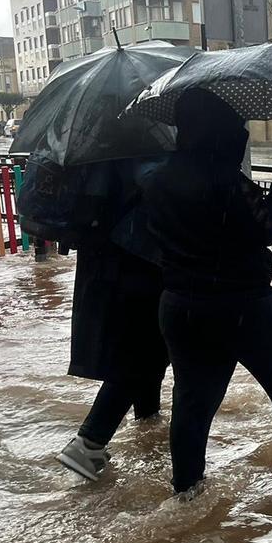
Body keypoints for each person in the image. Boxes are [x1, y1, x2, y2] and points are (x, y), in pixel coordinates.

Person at [140, 88, 272, 498]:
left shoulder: (156, 179)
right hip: (243, 305)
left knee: (191, 403)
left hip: (182, 305)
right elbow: (263, 228)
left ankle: (187, 490)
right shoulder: (225, 181)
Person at [55, 161, 169, 482]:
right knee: (146, 352)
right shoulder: (141, 148)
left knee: (146, 346)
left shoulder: (104, 145)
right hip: (137, 257)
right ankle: (89, 443)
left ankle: (148, 426)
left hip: (110, 256)